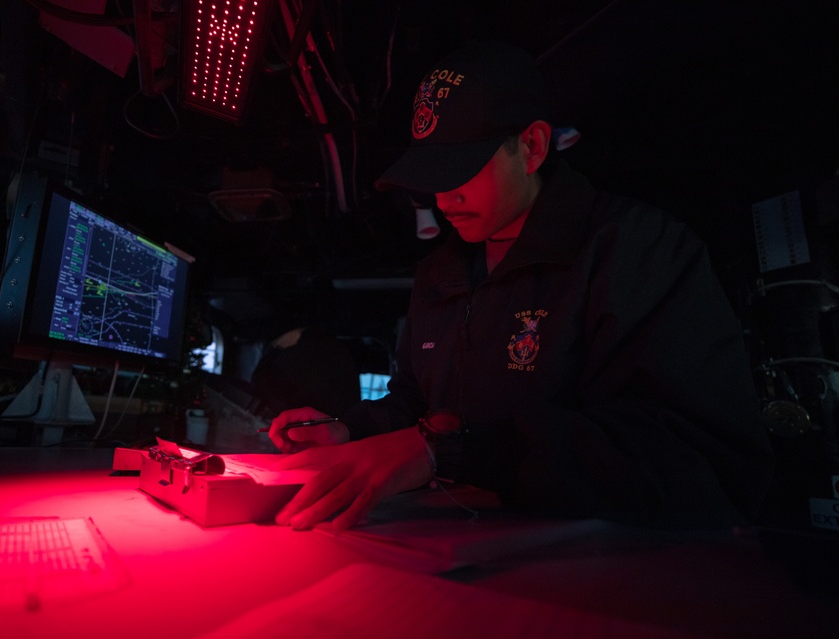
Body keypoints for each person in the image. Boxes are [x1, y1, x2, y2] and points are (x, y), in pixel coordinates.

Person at [268, 40, 775, 532]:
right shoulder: (441, 273)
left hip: (602, 578)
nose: (444, 200)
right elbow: (415, 403)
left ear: (531, 146)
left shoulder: (638, 252)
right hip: (452, 552)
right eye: (433, 177)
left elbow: (701, 458)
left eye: (462, 171)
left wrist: (450, 452)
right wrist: (351, 431)